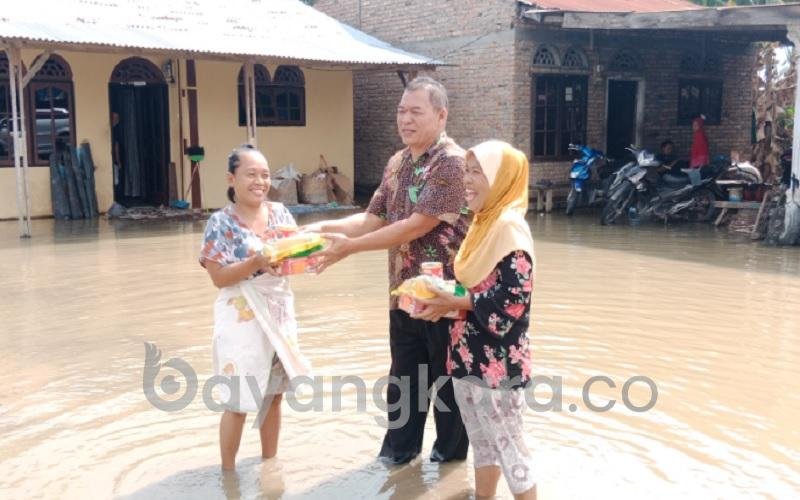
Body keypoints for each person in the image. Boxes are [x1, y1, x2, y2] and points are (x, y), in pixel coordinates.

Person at [306, 76, 470, 464]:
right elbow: (370, 219)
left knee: (448, 393)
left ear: (441, 115)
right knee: (404, 386)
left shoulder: (452, 163)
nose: (405, 119)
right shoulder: (397, 163)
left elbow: (417, 224)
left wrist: (350, 250)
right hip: (404, 296)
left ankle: (449, 472)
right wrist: (311, 230)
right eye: (401, 111)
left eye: (416, 111)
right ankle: (398, 462)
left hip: (446, 300)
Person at [413, 140, 537, 499]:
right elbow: (473, 290)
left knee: (511, 449)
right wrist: (439, 300)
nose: (466, 180)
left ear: (501, 179)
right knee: (483, 445)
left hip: (499, 365)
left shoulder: (509, 228)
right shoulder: (483, 224)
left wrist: (458, 299)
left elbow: (513, 301)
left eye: (477, 172)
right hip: (468, 356)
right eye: (466, 171)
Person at [199, 144, 311, 470]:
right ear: (231, 178)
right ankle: (228, 476)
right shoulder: (220, 223)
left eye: (265, 174)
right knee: (238, 399)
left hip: (278, 310)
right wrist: (257, 261)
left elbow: (295, 257)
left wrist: (305, 256)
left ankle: (269, 468)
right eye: (251, 174)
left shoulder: (279, 213)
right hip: (240, 314)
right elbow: (218, 278)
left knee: (273, 394)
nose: (260, 181)